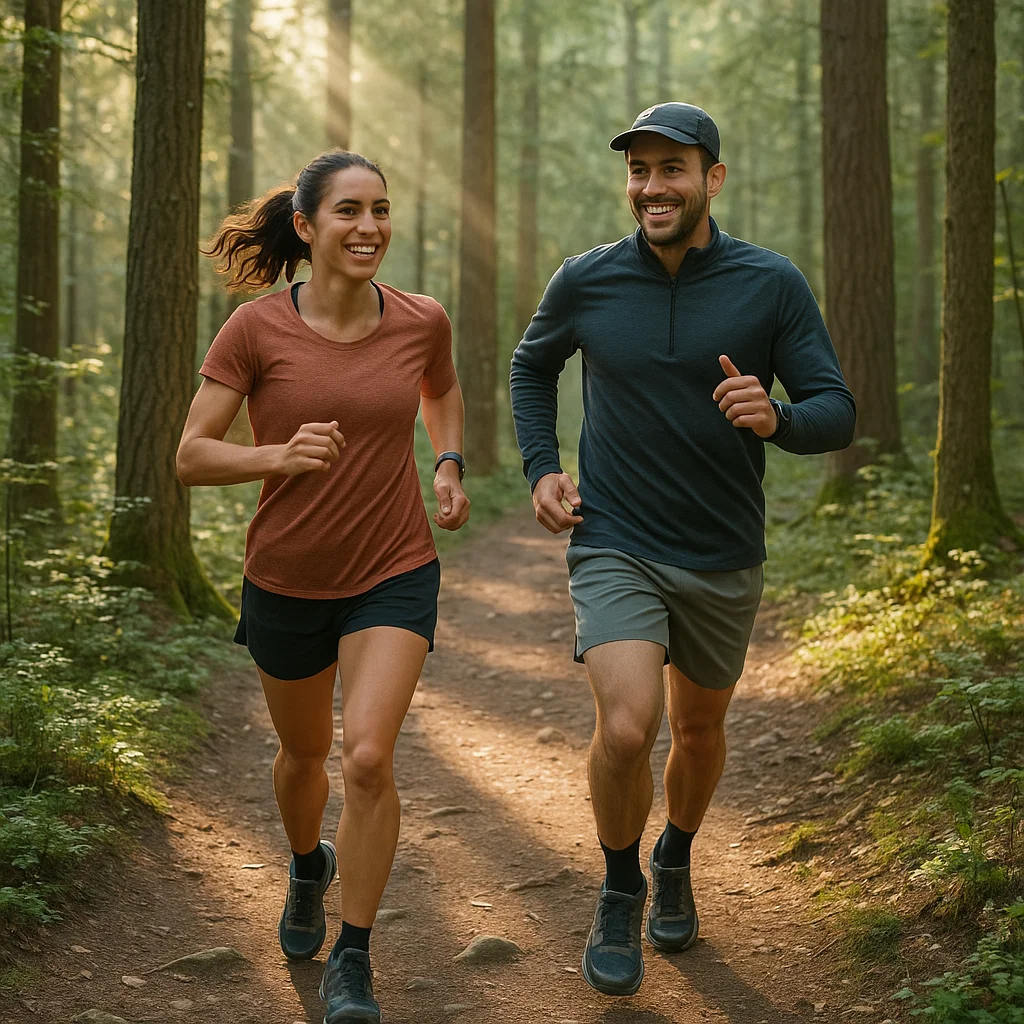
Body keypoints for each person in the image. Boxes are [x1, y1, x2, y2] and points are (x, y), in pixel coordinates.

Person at [509, 103, 856, 996]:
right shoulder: (585, 280)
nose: (652, 187)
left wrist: (777, 417)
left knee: (699, 731)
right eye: (640, 171)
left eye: (672, 169)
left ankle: (675, 853)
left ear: (712, 178)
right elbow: (531, 365)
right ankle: (620, 886)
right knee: (629, 727)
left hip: (721, 547)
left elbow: (837, 410)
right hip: (614, 536)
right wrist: (544, 467)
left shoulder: (770, 284)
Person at [177, 150, 470, 1024]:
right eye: (348, 211)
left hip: (394, 569)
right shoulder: (256, 331)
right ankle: (309, 864)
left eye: (380, 209)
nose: (369, 227)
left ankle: (354, 956)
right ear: (306, 227)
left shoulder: (422, 319)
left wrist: (447, 462)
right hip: (287, 577)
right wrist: (277, 453)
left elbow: (442, 391)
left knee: (369, 757)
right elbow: (191, 455)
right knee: (304, 758)